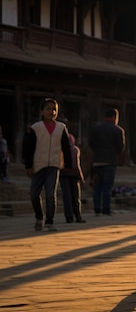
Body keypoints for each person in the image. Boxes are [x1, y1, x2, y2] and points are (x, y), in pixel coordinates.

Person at [24, 98, 72, 231]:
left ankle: (50, 221)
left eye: (54, 109)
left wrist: (68, 164)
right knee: (34, 193)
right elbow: (29, 148)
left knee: (51, 193)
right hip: (38, 164)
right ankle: (39, 217)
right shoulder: (36, 128)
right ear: (42, 112)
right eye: (48, 109)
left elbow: (66, 147)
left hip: (54, 164)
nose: (52, 112)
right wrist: (28, 166)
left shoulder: (61, 128)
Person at [89, 108, 126, 216]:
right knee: (107, 187)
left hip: (97, 161)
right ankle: (106, 209)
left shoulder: (95, 128)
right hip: (110, 161)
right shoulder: (118, 130)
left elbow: (90, 142)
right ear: (115, 117)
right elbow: (121, 147)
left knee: (97, 186)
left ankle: (97, 209)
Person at [59, 134, 87, 223]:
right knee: (75, 197)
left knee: (66, 196)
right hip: (74, 175)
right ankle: (78, 216)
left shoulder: (59, 150)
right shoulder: (75, 149)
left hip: (63, 174)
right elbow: (76, 165)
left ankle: (69, 217)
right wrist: (81, 177)